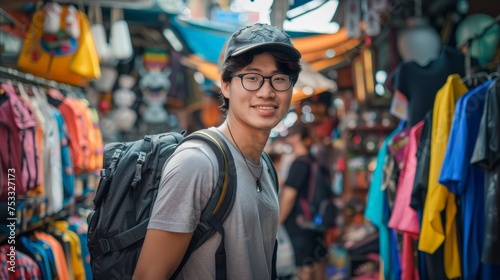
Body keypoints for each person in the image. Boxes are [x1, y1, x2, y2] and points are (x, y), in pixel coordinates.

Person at [133, 23, 302, 279]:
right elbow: (148, 275)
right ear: (225, 85)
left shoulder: (266, 166)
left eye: (279, 79)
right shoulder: (198, 163)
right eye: (252, 78)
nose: (266, 92)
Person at [279, 123, 330, 280]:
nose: (287, 138)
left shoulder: (299, 163)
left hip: (299, 222)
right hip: (315, 219)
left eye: (290, 135)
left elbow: (289, 195)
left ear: (297, 137)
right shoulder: (313, 159)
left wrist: (278, 220)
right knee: (317, 260)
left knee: (304, 266)